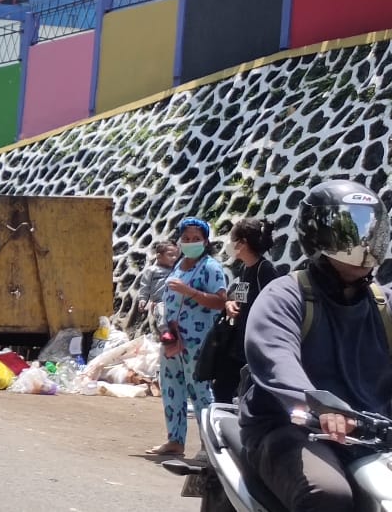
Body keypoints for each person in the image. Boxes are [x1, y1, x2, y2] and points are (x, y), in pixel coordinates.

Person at [240, 180, 392, 511]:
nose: (363, 245)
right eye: (350, 233)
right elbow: (276, 357)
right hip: (291, 429)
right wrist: (317, 403)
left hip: (374, 434)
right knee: (328, 497)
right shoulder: (285, 293)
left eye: (370, 232)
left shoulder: (385, 306)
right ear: (317, 235)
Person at [146, 216, 228, 457]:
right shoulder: (179, 264)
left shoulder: (211, 267)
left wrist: (190, 292)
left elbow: (220, 301)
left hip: (197, 341)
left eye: (196, 239)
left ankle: (209, 445)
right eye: (186, 238)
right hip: (173, 338)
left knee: (200, 391)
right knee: (172, 388)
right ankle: (175, 439)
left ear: (205, 241)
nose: (190, 242)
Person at [210, 218, 279, 403]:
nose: (230, 244)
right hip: (239, 344)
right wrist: (229, 304)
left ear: (242, 243)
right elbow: (240, 300)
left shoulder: (265, 270)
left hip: (256, 347)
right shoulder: (245, 269)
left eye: (232, 238)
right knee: (222, 392)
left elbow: (275, 308)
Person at [136, 241, 179, 333]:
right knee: (161, 314)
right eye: (170, 255)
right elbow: (145, 285)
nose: (174, 258)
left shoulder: (175, 270)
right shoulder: (152, 270)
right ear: (159, 256)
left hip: (174, 300)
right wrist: (143, 299)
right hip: (159, 301)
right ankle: (165, 333)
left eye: (176, 255)